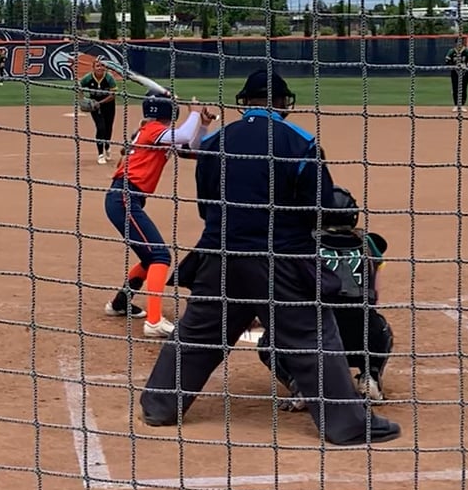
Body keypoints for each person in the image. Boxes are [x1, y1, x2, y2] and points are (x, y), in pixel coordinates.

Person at [138, 68, 400, 446]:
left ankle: (158, 405)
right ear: (281, 102)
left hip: (220, 254)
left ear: (246, 102)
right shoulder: (301, 142)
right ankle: (348, 424)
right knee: (311, 335)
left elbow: (205, 206)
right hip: (281, 260)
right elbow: (319, 208)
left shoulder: (215, 141)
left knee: (198, 333)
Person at [256, 186, 394, 405]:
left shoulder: (303, 243)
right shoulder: (368, 243)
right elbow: (374, 295)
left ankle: (300, 385)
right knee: (381, 329)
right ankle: (370, 378)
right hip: (361, 338)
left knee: (268, 342)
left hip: (315, 337)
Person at [102, 91, 218, 336]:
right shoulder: (153, 130)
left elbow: (193, 150)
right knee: (160, 256)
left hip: (125, 199)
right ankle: (154, 321)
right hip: (124, 198)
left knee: (150, 257)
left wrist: (202, 124)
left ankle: (120, 303)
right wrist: (194, 113)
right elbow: (184, 135)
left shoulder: (156, 133)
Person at [79, 58, 119, 164]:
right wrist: (82, 99)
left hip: (109, 106)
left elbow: (112, 95)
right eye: (97, 66)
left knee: (108, 128)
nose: (100, 68)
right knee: (101, 128)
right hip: (95, 108)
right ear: (93, 68)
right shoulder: (88, 78)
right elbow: (78, 87)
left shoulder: (109, 78)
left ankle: (107, 146)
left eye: (102, 66)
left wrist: (99, 103)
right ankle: (100, 154)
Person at [444, 38, 468, 112]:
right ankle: (456, 105)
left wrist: (467, 65)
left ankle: (462, 105)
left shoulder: (466, 51)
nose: (459, 44)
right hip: (455, 72)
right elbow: (447, 60)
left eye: (461, 43)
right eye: (458, 43)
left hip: (465, 72)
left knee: (464, 88)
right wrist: (453, 65)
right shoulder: (452, 51)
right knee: (455, 88)